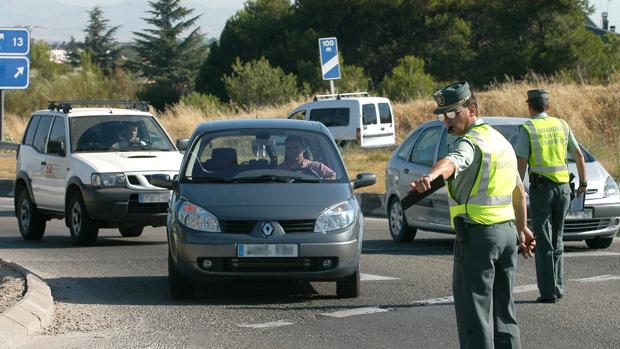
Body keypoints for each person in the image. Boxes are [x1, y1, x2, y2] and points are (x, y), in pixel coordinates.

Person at [410, 81, 535, 349]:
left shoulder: (470, 142)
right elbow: (519, 192)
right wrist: (523, 230)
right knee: (505, 311)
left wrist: (429, 176)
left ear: (471, 109)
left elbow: (453, 161)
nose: (446, 122)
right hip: (507, 234)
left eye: (452, 114)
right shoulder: (500, 142)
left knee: (474, 313)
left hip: (479, 236)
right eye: (442, 116)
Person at [515, 88, 587, 303]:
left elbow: (521, 162)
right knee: (558, 238)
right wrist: (583, 183)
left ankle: (548, 293)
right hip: (564, 188)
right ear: (548, 106)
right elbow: (579, 154)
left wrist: (517, 188)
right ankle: (559, 287)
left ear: (530, 106)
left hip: (542, 190)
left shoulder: (528, 128)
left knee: (544, 241)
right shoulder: (562, 125)